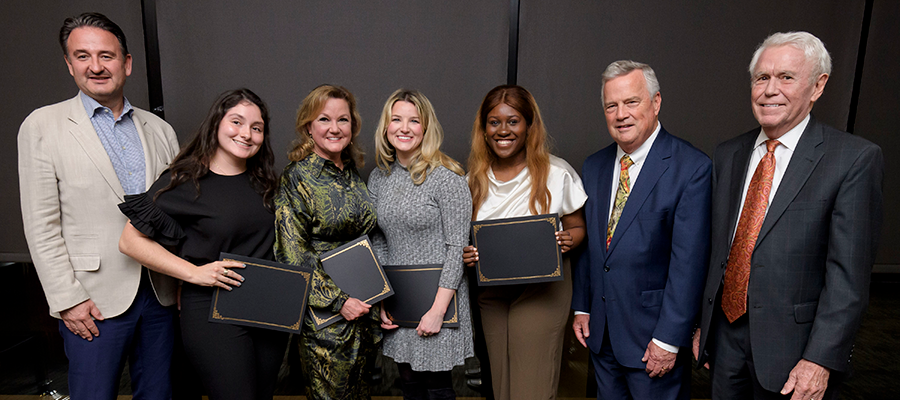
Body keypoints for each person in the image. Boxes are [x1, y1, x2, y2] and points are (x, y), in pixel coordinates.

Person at [693, 31, 883, 400]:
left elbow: (848, 279)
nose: (770, 90)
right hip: (724, 342)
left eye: (786, 77)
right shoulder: (728, 154)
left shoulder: (853, 160)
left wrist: (820, 359)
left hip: (794, 352)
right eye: (762, 77)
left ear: (818, 86)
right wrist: (704, 325)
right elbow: (718, 252)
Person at [17, 12, 179, 399]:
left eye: (106, 56)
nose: (96, 66)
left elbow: (176, 213)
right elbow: (41, 226)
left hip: (159, 293)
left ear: (126, 63)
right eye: (83, 56)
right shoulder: (42, 126)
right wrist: (67, 299)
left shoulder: (160, 131)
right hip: (92, 299)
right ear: (69, 64)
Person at [118, 88, 285, 399]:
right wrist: (193, 273)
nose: (246, 134)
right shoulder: (185, 181)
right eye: (236, 122)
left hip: (267, 308)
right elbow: (130, 241)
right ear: (217, 123)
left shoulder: (266, 182)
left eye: (256, 127)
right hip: (213, 310)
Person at [570, 60, 711, 399]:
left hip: (653, 341)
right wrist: (583, 306)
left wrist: (668, 340)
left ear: (656, 102)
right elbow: (592, 247)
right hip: (602, 335)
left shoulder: (691, 168)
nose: (621, 114)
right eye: (611, 106)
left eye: (631, 102)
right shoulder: (594, 166)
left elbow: (689, 265)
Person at [462, 85, 588, 400]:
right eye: (494, 122)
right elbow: (466, 238)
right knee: (501, 385)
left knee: (530, 386)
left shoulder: (556, 173)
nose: (503, 130)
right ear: (484, 129)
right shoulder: (473, 179)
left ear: (529, 126)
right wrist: (468, 254)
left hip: (543, 289)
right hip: (492, 292)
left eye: (513, 121)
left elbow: (578, 227)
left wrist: (568, 239)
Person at [275, 84, 380, 400]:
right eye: (324, 119)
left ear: (353, 125)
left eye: (343, 120)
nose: (335, 128)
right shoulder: (297, 176)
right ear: (308, 126)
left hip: (363, 310)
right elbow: (292, 253)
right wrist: (339, 301)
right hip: (327, 316)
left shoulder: (350, 172)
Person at [368, 89, 474, 400]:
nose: (404, 128)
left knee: (436, 385)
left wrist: (438, 311)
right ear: (386, 127)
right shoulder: (379, 178)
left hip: (440, 299)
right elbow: (379, 240)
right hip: (401, 299)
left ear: (426, 128)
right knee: (408, 381)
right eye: (396, 119)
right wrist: (383, 299)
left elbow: (456, 248)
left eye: (414, 121)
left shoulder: (447, 178)